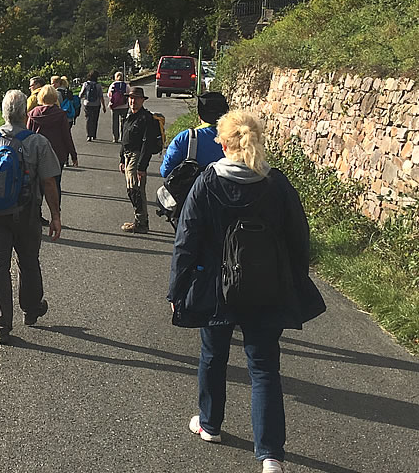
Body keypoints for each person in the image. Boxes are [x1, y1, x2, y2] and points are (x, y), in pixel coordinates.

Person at [167, 109, 326, 473]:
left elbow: (186, 240)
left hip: (215, 286)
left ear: (223, 143)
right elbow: (299, 239)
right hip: (267, 287)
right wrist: (293, 279)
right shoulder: (277, 183)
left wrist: (178, 289)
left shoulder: (208, 182)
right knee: (265, 367)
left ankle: (210, 424)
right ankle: (271, 455)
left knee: (213, 356)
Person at [0, 89, 62, 345]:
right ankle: (30, 310)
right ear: (25, 114)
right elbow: (49, 182)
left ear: (4, 113)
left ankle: (1, 324)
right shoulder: (37, 142)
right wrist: (55, 216)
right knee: (28, 261)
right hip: (28, 213)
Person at [28, 85, 78, 221]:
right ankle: (56, 213)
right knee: (55, 184)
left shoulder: (33, 114)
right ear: (55, 98)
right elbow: (66, 136)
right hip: (57, 154)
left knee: (37, 186)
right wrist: (73, 154)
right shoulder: (60, 114)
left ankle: (37, 214)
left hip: (37, 154)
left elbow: (28, 135)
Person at [118, 86, 164, 233]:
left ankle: (141, 223)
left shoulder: (146, 118)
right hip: (128, 155)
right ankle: (141, 221)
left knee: (134, 190)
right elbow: (124, 138)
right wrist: (121, 158)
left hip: (137, 156)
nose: (133, 101)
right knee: (136, 190)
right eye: (131, 98)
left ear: (142, 100)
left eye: (136, 98)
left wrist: (141, 167)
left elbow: (147, 143)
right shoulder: (129, 116)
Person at [160, 92, 228, 178]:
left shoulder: (185, 138)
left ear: (199, 116)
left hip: (189, 190)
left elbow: (165, 171)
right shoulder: (238, 138)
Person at [78, 71, 107, 142]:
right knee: (95, 119)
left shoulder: (85, 84)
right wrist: (104, 106)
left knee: (88, 119)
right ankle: (94, 135)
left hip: (87, 104)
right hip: (96, 104)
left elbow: (81, 94)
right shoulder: (98, 85)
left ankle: (89, 135)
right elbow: (101, 96)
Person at [108, 71, 130, 143]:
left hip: (115, 106)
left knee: (115, 122)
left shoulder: (113, 85)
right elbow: (129, 94)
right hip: (124, 105)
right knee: (124, 122)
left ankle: (115, 137)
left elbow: (109, 95)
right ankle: (123, 137)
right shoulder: (126, 85)